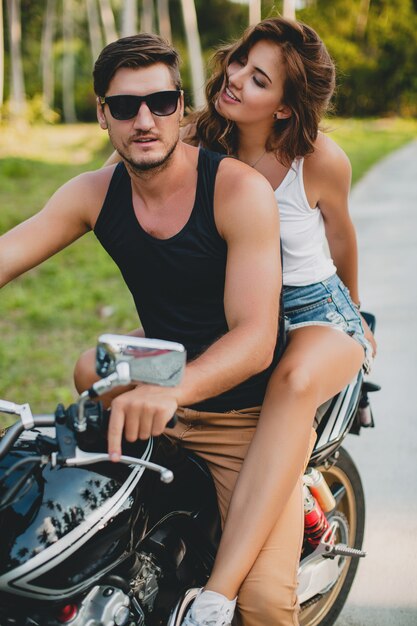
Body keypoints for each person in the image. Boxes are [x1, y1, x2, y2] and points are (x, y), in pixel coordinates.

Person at [0, 31, 300, 626]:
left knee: (264, 603)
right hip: (157, 386)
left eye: (161, 103)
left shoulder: (237, 191)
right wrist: (160, 387)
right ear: (102, 115)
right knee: (51, 534)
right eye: (124, 106)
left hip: (241, 415)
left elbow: (255, 338)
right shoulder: (93, 193)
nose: (145, 120)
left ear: (182, 106)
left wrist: (173, 389)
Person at [175, 16, 377, 626]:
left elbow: (342, 242)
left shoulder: (318, 161)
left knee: (289, 387)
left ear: (286, 108)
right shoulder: (198, 141)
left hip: (317, 315)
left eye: (257, 79)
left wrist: (361, 317)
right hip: (238, 317)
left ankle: (219, 594)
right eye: (238, 62)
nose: (234, 79)